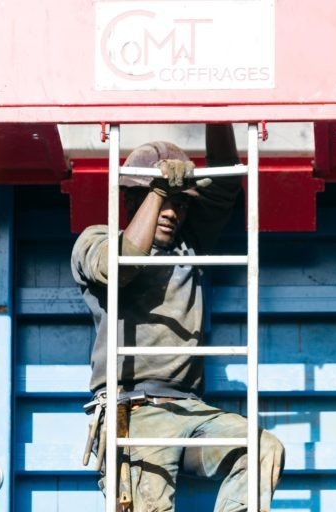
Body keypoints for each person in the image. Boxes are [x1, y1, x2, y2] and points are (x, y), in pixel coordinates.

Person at [71, 124, 284, 511]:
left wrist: (217, 111)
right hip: (132, 412)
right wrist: (159, 189)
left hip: (189, 409)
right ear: (132, 201)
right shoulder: (96, 241)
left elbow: (225, 182)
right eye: (162, 201)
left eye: (180, 204)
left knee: (260, 448)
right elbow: (121, 267)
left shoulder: (191, 246)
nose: (171, 212)